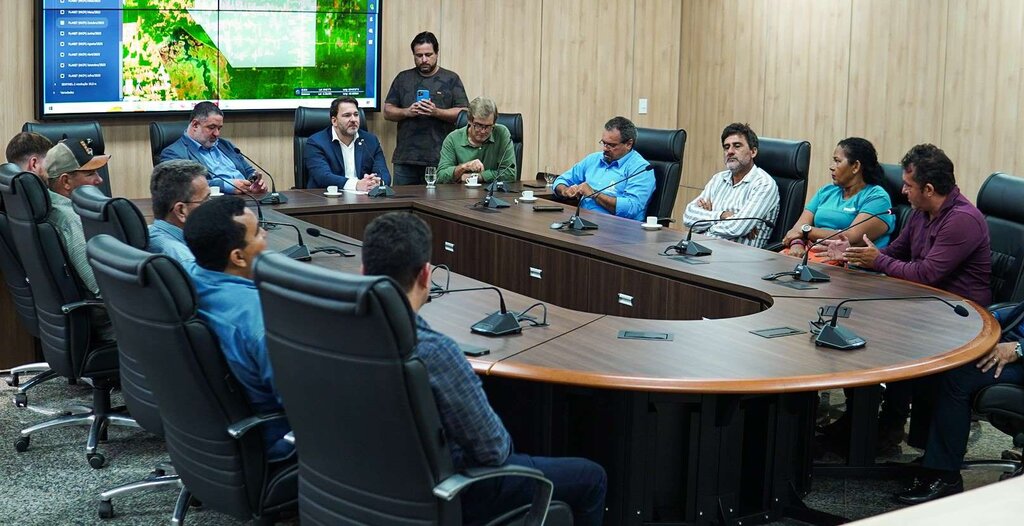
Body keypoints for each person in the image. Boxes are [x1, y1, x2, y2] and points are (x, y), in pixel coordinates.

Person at [361, 212, 607, 526]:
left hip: (365, 488)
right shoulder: (436, 352)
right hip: (450, 495)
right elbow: (493, 451)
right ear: (426, 276)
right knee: (591, 477)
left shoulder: (334, 331)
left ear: (364, 270)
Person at [818, 144, 992, 454]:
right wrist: (853, 255)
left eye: (908, 186)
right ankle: (864, 421)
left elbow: (926, 274)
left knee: (876, 335)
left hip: (959, 318)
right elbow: (895, 253)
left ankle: (886, 425)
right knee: (851, 326)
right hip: (921, 307)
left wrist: (876, 261)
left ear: (928, 188)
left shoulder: (962, 220)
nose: (902, 191)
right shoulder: (920, 214)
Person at [183, 197, 291, 460]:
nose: (265, 234)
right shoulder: (260, 321)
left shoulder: (188, 275)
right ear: (238, 257)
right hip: (276, 440)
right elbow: (301, 404)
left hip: (211, 434)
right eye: (258, 232)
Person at [894, 302, 1023, 504]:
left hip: (1020, 356)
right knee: (936, 359)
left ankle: (945, 476)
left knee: (957, 376)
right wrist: (991, 318)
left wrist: (1020, 348)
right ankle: (930, 457)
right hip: (1011, 342)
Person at [43, 138, 114, 340]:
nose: (99, 180)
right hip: (108, 319)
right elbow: (99, 287)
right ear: (65, 181)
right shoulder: (70, 221)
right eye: (91, 173)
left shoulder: (54, 205)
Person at [780, 137, 893, 262]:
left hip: (849, 266)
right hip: (809, 255)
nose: (831, 167)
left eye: (837, 161)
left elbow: (851, 236)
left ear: (855, 166)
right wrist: (797, 244)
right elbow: (798, 227)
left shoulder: (877, 197)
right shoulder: (826, 191)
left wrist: (806, 231)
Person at [383, 31, 469, 185]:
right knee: (400, 206)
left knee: (437, 205)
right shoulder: (403, 78)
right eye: (419, 55)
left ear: (437, 53)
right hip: (406, 159)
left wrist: (436, 112)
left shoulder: (451, 79)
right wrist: (407, 112)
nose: (424, 60)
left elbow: (464, 114)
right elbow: (388, 111)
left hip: (441, 159)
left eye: (428, 55)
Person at [682, 123, 779, 248]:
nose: (730, 152)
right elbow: (688, 216)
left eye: (737, 146)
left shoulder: (764, 184)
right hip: (703, 250)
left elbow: (737, 228)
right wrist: (722, 215)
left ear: (753, 152)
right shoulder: (718, 179)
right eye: (726, 147)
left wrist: (704, 225)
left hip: (739, 260)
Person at [552, 116, 654, 221]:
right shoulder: (594, 159)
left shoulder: (641, 169)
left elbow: (631, 208)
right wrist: (565, 190)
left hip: (618, 229)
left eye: (611, 145)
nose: (605, 148)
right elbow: (560, 180)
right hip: (583, 222)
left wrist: (594, 194)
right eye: (604, 142)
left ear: (628, 144)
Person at [160, 101, 268, 195]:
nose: (217, 134)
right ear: (195, 125)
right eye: (211, 127)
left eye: (219, 128)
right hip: (213, 205)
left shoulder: (225, 145)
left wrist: (255, 182)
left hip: (248, 199)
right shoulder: (173, 153)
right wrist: (226, 185)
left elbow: (248, 171)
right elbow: (184, 184)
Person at [303, 96, 390, 191]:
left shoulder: (370, 140)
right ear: (334, 121)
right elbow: (323, 177)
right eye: (347, 115)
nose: (353, 119)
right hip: (328, 199)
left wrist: (376, 183)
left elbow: (383, 173)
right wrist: (356, 185)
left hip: (364, 199)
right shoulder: (316, 142)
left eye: (356, 114)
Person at [436, 96, 516, 184]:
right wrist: (464, 167)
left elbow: (510, 174)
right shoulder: (452, 138)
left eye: (488, 126)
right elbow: (441, 176)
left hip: (493, 193)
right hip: (460, 195)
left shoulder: (502, 133)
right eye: (478, 125)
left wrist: (477, 177)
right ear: (469, 121)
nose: (483, 131)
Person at [148, 159, 211, 265]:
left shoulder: (149, 232)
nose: (211, 205)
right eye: (205, 200)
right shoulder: (184, 259)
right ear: (181, 211)